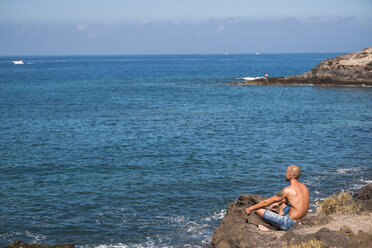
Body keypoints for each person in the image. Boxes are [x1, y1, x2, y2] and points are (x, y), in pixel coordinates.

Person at [245, 165, 309, 231]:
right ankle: (278, 221)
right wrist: (278, 203)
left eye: (286, 173)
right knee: (283, 203)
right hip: (300, 221)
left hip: (289, 224)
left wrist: (250, 208)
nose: (285, 174)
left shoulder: (288, 190)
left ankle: (274, 227)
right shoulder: (304, 188)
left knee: (258, 210)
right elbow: (293, 199)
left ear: (290, 175)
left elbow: (266, 202)